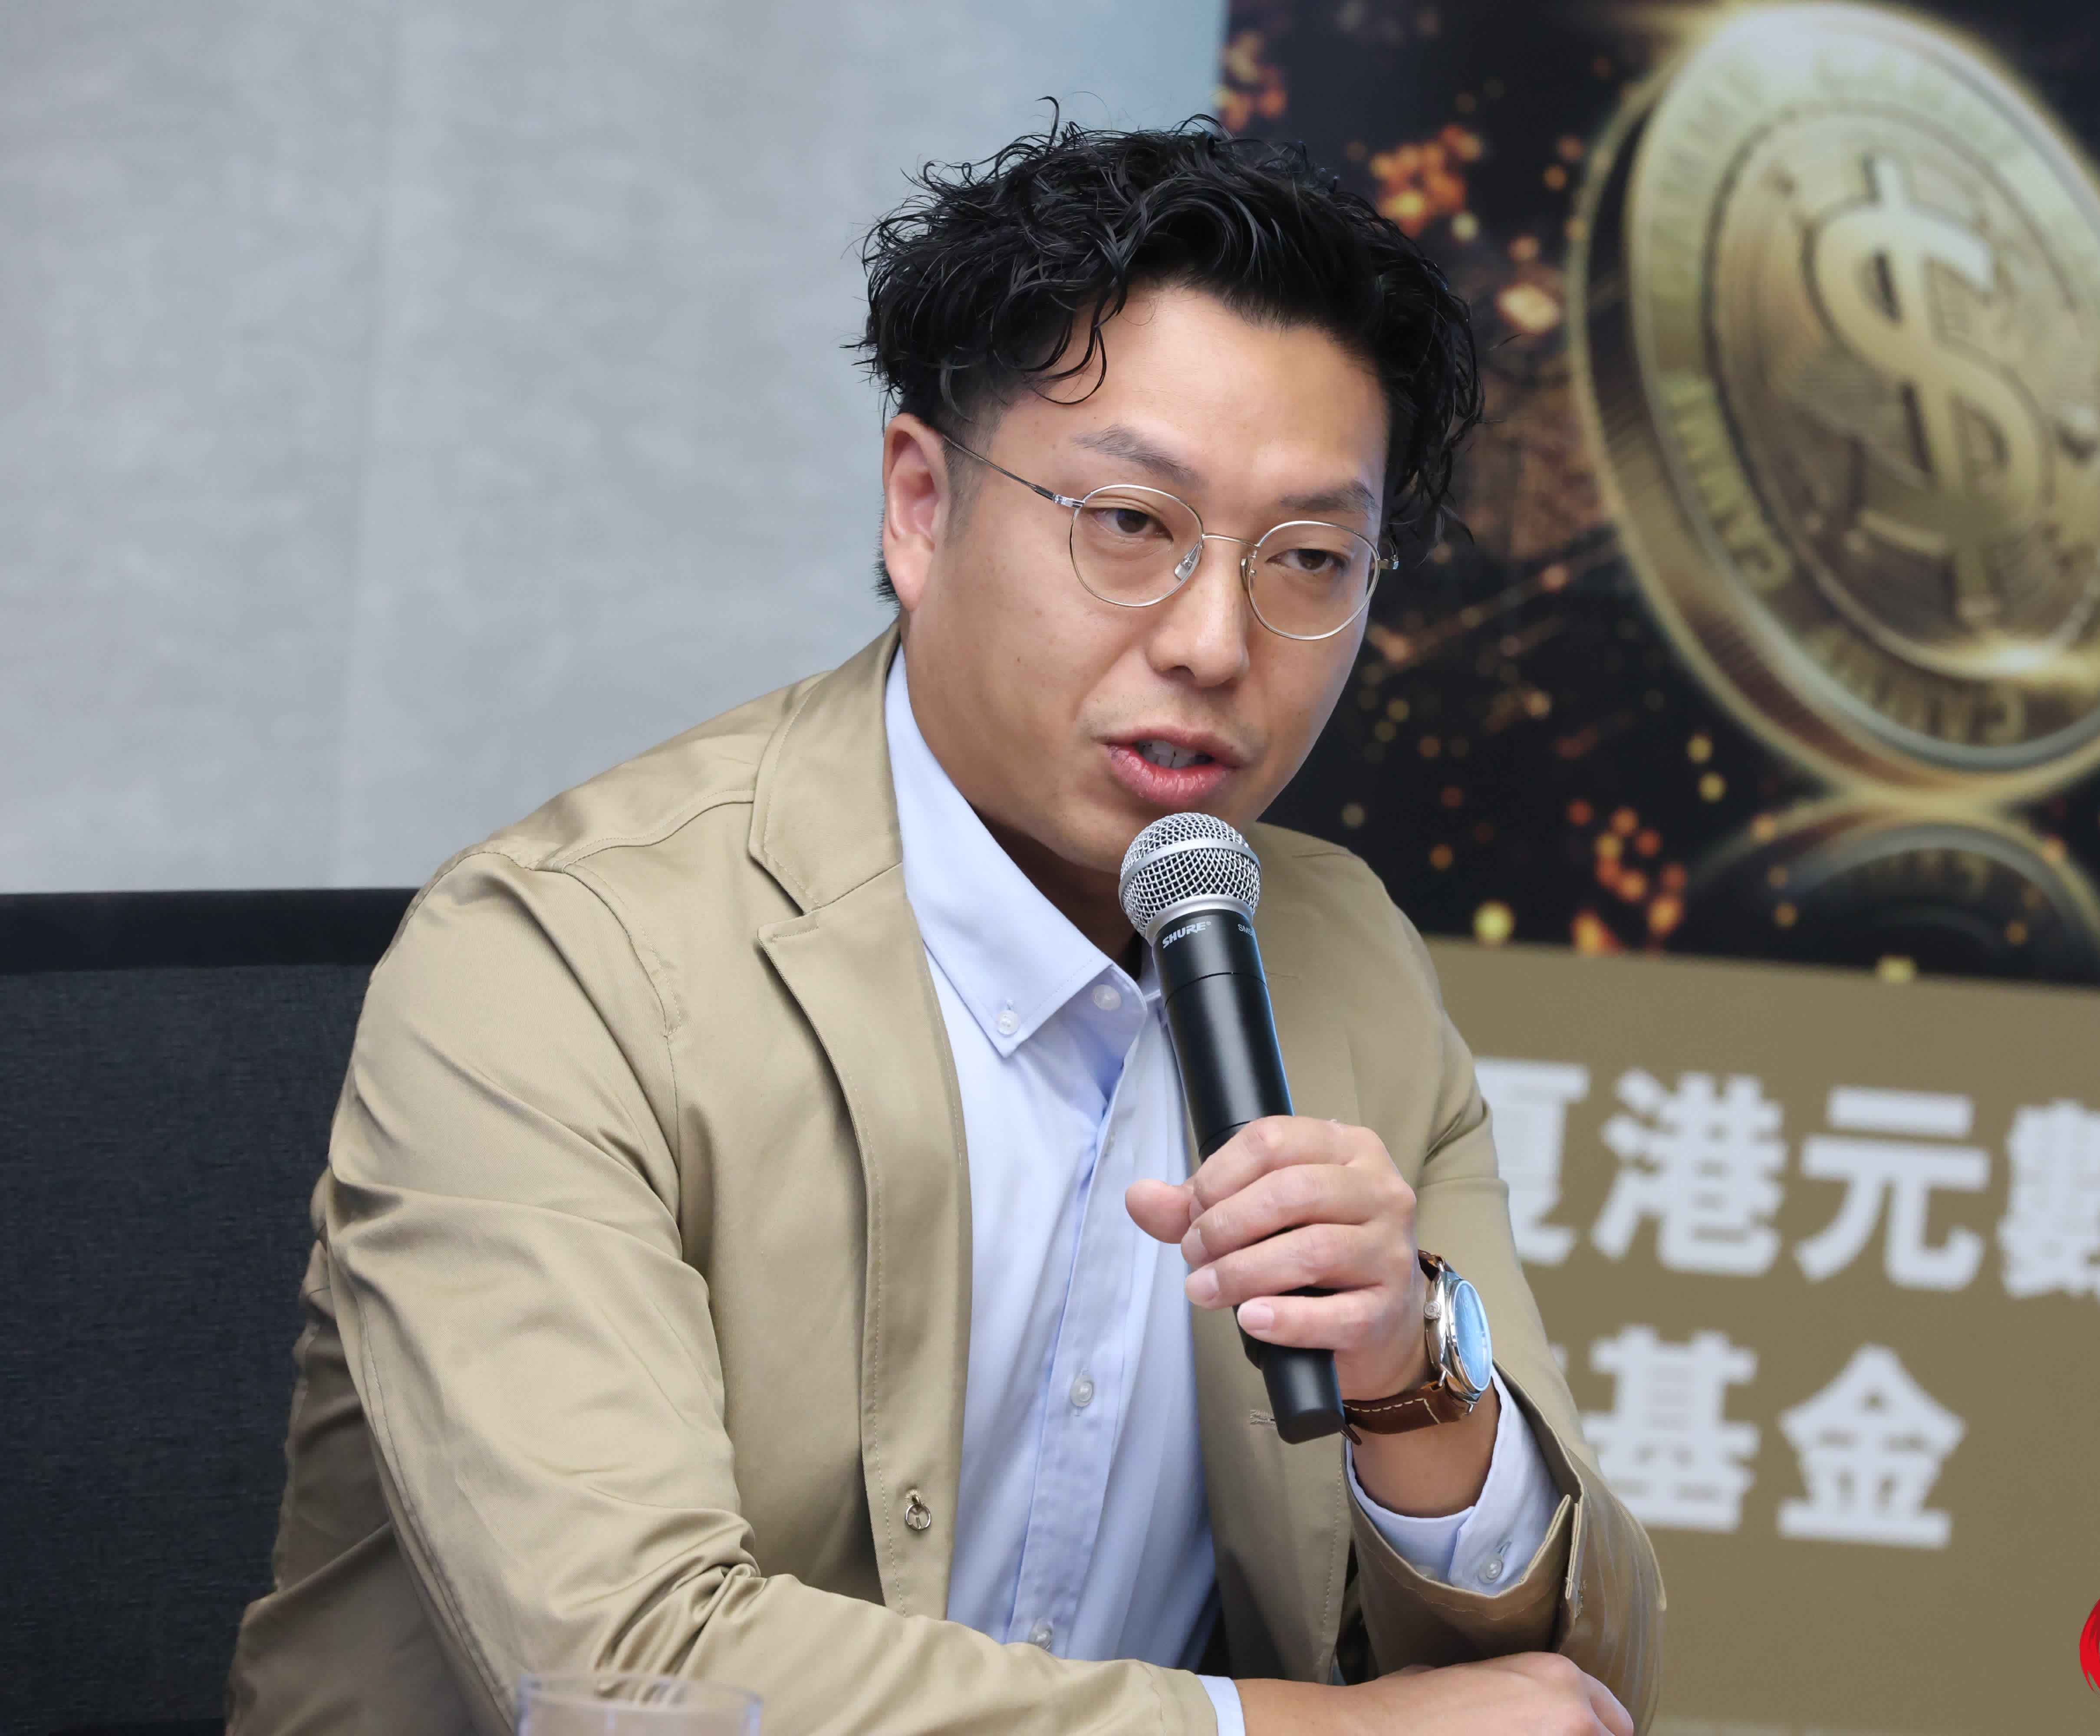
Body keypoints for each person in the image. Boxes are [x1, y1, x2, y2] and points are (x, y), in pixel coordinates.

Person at [228, 121, 1661, 1735]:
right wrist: (1288, 1734)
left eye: (1312, 558)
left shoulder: (1344, 964)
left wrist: (1416, 1381)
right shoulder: (558, 963)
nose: (1213, 642)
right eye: (1131, 523)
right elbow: (624, 1672)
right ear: (920, 506)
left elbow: (1580, 1685)